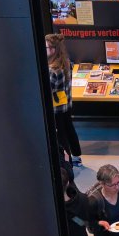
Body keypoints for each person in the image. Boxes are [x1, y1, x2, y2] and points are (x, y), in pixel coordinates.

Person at [47, 34, 85, 167]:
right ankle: (77, 154)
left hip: (57, 108)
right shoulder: (66, 61)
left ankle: (67, 162)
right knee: (69, 128)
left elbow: (47, 91)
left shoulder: (52, 70)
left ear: (53, 49)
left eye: (46, 47)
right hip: (67, 104)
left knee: (61, 135)